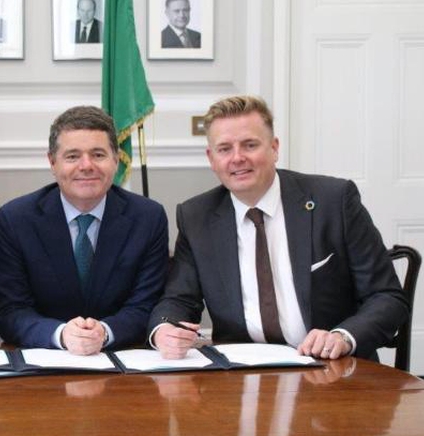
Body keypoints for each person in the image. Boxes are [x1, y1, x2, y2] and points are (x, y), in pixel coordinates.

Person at [148, 95, 408, 361]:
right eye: (224, 149)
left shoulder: (334, 200)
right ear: (211, 158)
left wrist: (342, 336)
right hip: (241, 372)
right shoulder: (197, 216)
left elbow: (386, 297)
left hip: (330, 366)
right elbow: (178, 300)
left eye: (250, 145)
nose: (237, 158)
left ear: (274, 148)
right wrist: (164, 330)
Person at [0, 106, 168, 355]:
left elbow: (147, 305)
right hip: (45, 365)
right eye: (72, 156)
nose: (86, 166)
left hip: (123, 363)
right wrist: (61, 335)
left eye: (98, 154)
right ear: (52, 162)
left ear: (116, 160)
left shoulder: (148, 218)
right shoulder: (16, 220)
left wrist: (104, 332)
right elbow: (10, 312)